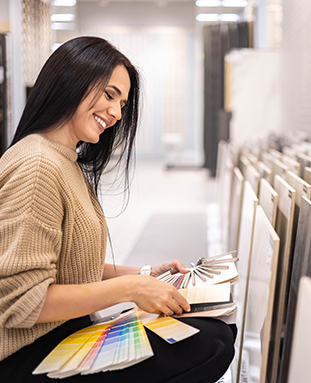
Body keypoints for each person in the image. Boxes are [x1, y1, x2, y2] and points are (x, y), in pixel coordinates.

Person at [0, 36, 236, 382]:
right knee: (210, 343)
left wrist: (143, 274)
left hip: (59, 336)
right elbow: (21, 302)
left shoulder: (64, 159)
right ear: (70, 82)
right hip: (28, 356)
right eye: (110, 95)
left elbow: (72, 264)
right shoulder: (37, 165)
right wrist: (129, 291)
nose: (115, 113)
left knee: (213, 329)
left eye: (122, 104)